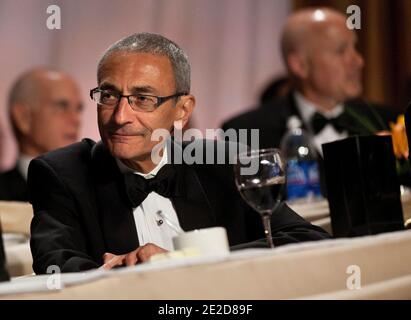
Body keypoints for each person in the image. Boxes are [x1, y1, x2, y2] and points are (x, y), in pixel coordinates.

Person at [28, 33, 329, 274]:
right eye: (109, 96)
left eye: (142, 99)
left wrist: (186, 259)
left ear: (182, 111)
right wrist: (128, 273)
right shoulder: (62, 173)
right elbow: (55, 267)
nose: (120, 117)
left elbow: (308, 239)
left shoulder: (226, 161)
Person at [222, 8, 398, 189]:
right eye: (341, 51)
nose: (359, 61)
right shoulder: (246, 134)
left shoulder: (388, 122)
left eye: (355, 48)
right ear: (300, 65)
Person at [0, 68, 83, 201]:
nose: (76, 120)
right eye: (62, 106)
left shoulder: (95, 193)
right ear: (23, 117)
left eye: (78, 109)